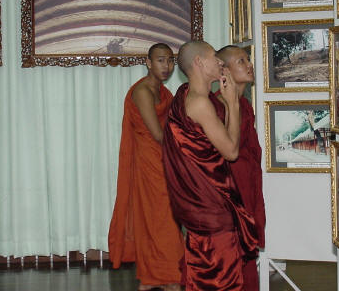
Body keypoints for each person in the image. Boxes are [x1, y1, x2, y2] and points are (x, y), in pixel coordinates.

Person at [163, 41, 259, 291]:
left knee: (203, 277)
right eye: (214, 57)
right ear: (199, 63)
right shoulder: (200, 103)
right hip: (211, 209)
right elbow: (230, 151)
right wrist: (233, 104)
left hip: (202, 206)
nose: (219, 63)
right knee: (221, 279)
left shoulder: (185, 94)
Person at [108, 43, 184, 291]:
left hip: (164, 160)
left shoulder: (164, 92)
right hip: (151, 162)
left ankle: (159, 277)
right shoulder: (142, 91)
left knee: (164, 219)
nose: (167, 66)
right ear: (148, 62)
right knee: (160, 219)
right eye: (161, 61)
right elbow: (159, 134)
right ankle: (165, 277)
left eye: (170, 61)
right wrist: (189, 148)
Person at [216, 45, 266, 291]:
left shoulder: (244, 105)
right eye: (241, 61)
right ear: (223, 70)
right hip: (229, 192)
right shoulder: (217, 105)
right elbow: (225, 151)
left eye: (248, 59)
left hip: (247, 185)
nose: (249, 65)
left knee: (246, 254)